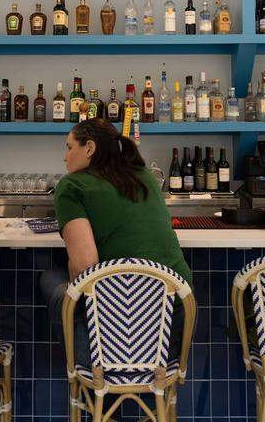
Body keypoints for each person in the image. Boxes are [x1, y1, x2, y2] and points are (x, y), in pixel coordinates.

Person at [41, 119, 191, 366]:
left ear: (89, 148)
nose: (65, 157)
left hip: (117, 330)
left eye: (69, 147)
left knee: (50, 279)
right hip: (173, 324)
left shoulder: (71, 186)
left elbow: (85, 266)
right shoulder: (145, 176)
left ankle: (84, 367)